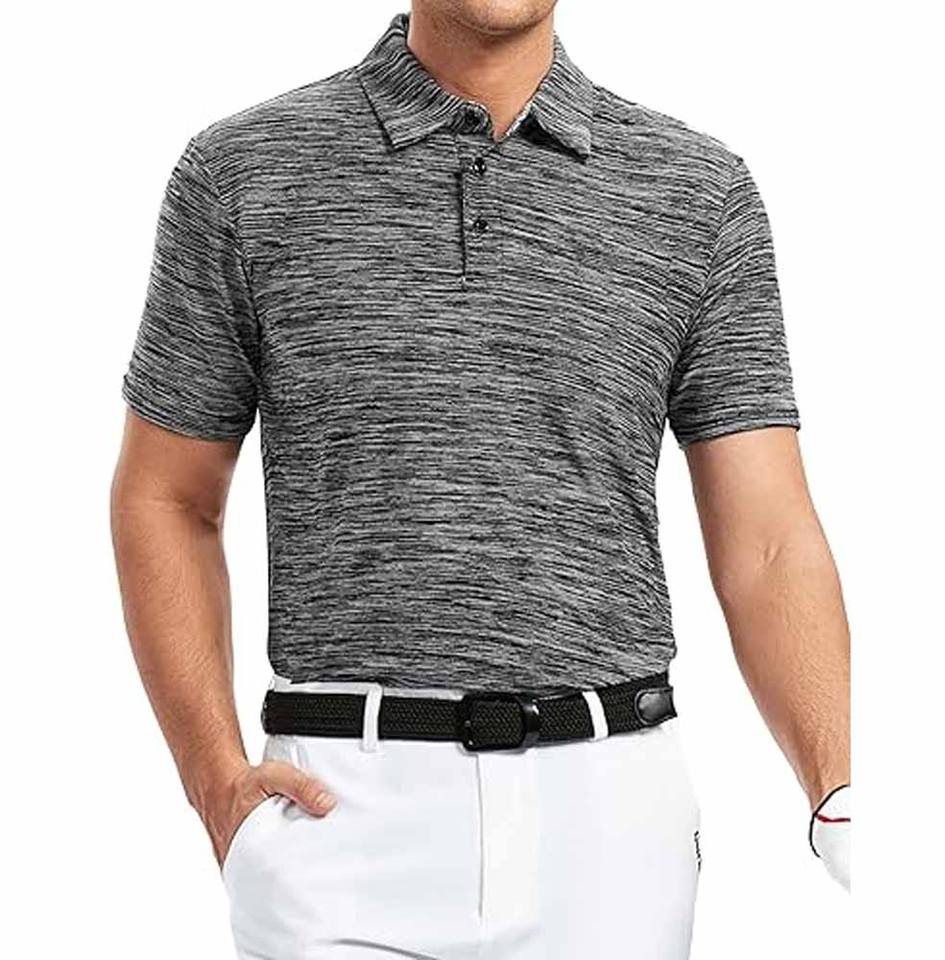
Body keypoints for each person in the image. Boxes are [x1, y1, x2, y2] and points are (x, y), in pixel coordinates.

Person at [110, 3, 851, 957]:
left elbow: (770, 537)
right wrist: (215, 782)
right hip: (338, 817)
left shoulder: (697, 193)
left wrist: (841, 788)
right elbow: (165, 496)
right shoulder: (242, 175)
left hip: (609, 826)